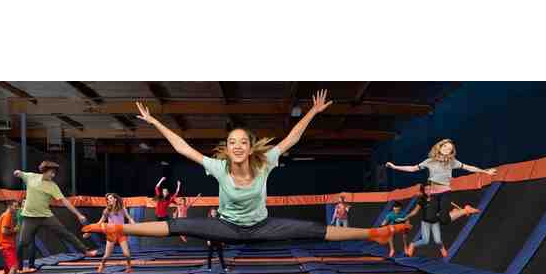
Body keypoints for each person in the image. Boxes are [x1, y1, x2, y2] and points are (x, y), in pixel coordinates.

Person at [83, 90, 410, 247]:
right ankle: (116, 229)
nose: (237, 146)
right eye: (232, 142)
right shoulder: (218, 166)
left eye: (243, 142)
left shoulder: (264, 161)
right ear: (227, 148)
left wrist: (312, 112)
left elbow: (292, 139)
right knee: (177, 224)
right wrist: (155, 121)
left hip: (263, 226)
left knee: (312, 230)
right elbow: (182, 147)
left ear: (250, 147)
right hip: (226, 227)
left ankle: (374, 233)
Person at [386, 138, 495, 226]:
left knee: (444, 220)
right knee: (430, 218)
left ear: (451, 152)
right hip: (433, 193)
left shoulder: (452, 162)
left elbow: (468, 167)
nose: (447, 149)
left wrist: (485, 171)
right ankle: (455, 212)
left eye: (450, 149)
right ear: (440, 147)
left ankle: (465, 210)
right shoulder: (429, 161)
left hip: (445, 192)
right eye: (445, 146)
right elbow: (413, 168)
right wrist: (395, 167)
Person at [13, 161, 98, 260]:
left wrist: (78, 215)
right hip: (30, 217)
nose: (53, 175)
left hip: (46, 216)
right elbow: (20, 173)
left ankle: (85, 251)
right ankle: (18, 265)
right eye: (51, 172)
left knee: (65, 233)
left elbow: (64, 201)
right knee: (22, 243)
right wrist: (17, 172)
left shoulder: (52, 186)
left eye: (54, 173)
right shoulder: (31, 177)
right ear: (44, 171)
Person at [405, 182, 482, 257]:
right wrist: (407, 216)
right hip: (425, 222)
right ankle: (412, 245)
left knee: (438, 240)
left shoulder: (435, 197)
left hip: (435, 221)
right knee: (425, 241)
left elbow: (443, 207)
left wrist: (452, 210)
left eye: (429, 189)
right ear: (424, 191)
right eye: (426, 190)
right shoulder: (421, 200)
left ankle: (441, 248)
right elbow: (415, 211)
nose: (428, 191)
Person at [85, 193, 136, 273]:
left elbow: (129, 218)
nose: (109, 200)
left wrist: (134, 225)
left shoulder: (122, 209)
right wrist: (90, 231)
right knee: (106, 255)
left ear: (115, 199)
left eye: (110, 198)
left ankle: (129, 267)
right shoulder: (107, 211)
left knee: (127, 254)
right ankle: (102, 265)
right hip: (111, 234)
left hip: (121, 233)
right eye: (108, 199)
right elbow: (99, 223)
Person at [0, 200, 20, 274]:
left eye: (17, 206)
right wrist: (15, 230)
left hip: (4, 245)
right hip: (7, 246)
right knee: (14, 267)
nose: (17, 209)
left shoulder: (5, 215)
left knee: (7, 270)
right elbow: (4, 231)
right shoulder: (7, 215)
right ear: (9, 206)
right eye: (15, 206)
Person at [15, 197, 37, 273]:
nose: (25, 203)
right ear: (22, 203)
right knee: (19, 249)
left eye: (26, 202)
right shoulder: (18, 211)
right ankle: (19, 267)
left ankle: (31, 266)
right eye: (24, 202)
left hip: (29, 231)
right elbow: (18, 221)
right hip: (20, 231)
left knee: (31, 248)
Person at [206, 207, 227, 272]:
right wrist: (208, 239)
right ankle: (209, 267)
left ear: (216, 213)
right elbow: (207, 231)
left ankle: (224, 267)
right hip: (211, 239)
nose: (214, 213)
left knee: (220, 254)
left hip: (218, 239)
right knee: (210, 254)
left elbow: (221, 230)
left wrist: (222, 240)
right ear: (210, 213)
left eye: (215, 212)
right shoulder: (208, 220)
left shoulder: (219, 220)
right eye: (212, 212)